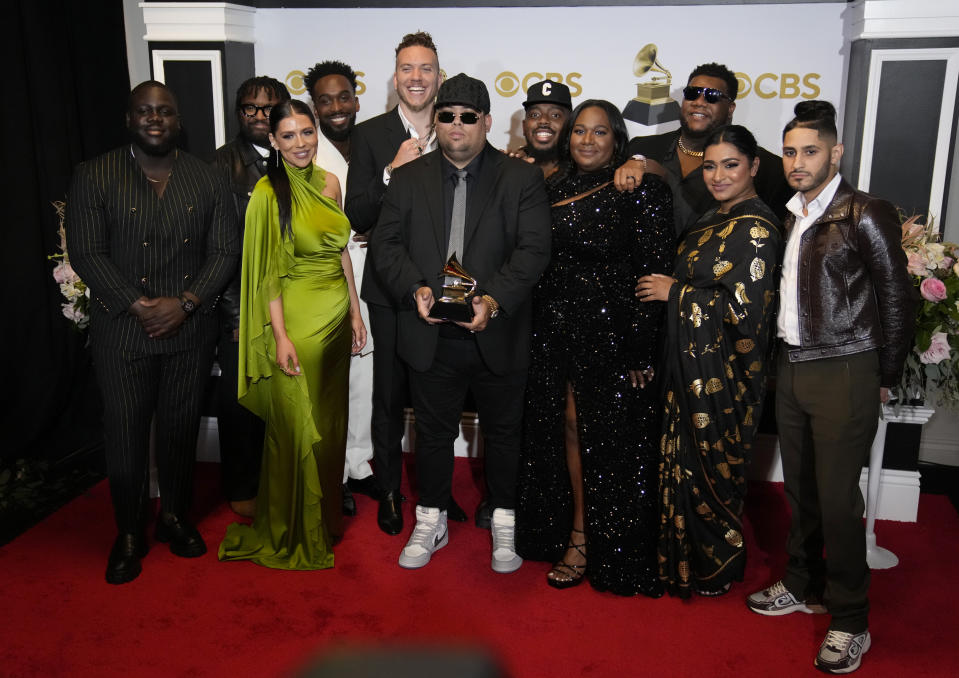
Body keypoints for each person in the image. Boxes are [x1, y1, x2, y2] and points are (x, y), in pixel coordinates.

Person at [745, 101, 916, 674]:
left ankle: (850, 619)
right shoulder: (791, 213)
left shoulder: (865, 212)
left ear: (835, 153)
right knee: (801, 490)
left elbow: (897, 297)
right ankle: (800, 582)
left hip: (846, 367)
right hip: (791, 366)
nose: (797, 162)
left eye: (810, 151)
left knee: (839, 501)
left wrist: (886, 376)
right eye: (790, 151)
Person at [371, 73, 551, 572]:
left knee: (505, 433)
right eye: (446, 115)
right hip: (430, 330)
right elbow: (386, 246)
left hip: (497, 330)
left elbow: (534, 251)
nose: (455, 124)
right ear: (436, 120)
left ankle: (504, 524)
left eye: (467, 116)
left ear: (486, 122)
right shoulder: (408, 178)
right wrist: (416, 289)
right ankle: (431, 519)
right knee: (431, 434)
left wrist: (491, 301)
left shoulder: (521, 179)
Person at [67, 80, 238, 584]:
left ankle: (175, 517)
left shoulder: (206, 179)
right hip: (124, 330)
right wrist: (137, 305)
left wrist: (185, 303)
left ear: (177, 120)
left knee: (181, 429)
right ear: (129, 119)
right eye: (145, 111)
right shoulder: (94, 174)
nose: (155, 118)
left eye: (164, 110)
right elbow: (87, 252)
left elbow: (225, 251)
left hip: (188, 328)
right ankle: (127, 532)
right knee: (125, 433)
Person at [515, 100, 673, 595]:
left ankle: (597, 541)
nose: (586, 139)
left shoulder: (639, 189)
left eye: (599, 131)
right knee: (563, 429)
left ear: (617, 139)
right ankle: (571, 529)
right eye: (579, 130)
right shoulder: (552, 185)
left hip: (612, 335)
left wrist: (641, 350)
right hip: (553, 329)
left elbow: (653, 275)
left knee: (609, 441)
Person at [636, 124, 784, 598]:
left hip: (725, 379)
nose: (718, 175)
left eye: (731, 164)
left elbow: (744, 313)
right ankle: (680, 559)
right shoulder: (711, 218)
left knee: (713, 474)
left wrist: (674, 292)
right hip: (688, 368)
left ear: (755, 166)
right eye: (710, 165)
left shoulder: (757, 228)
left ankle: (712, 565)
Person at [218, 100, 366, 570]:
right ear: (274, 142)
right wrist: (279, 336)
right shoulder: (266, 193)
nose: (300, 143)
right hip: (297, 320)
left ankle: (321, 521)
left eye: (307, 132)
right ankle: (290, 528)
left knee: (328, 423)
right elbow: (266, 276)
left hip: (337, 314)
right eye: (289, 136)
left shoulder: (330, 183)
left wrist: (357, 312)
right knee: (294, 425)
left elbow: (340, 250)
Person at [346, 31, 468, 534]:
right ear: (395, 78)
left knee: (438, 401)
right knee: (389, 401)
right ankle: (392, 493)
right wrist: (394, 172)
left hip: (448, 291)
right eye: (407, 69)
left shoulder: (458, 127)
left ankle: (436, 497)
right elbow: (357, 214)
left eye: (426, 69)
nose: (416, 78)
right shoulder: (372, 135)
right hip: (392, 291)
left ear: (438, 76)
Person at [213, 75, 291, 519]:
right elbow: (221, 248)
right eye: (250, 108)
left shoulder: (297, 154)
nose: (259, 116)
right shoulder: (222, 166)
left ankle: (281, 483)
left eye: (268, 107)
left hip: (291, 303)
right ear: (238, 112)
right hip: (242, 307)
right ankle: (242, 486)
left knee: (286, 400)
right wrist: (236, 315)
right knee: (242, 404)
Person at [305, 59, 379, 516]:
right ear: (314, 106)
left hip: (373, 272)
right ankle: (331, 470)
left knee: (365, 372)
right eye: (325, 100)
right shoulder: (305, 149)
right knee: (333, 376)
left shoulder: (372, 141)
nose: (336, 107)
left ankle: (358, 463)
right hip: (326, 276)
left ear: (357, 98)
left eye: (343, 97)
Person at [616, 62, 792, 237]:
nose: (699, 102)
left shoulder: (768, 168)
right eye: (692, 94)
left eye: (712, 96)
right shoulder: (640, 149)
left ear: (730, 109)